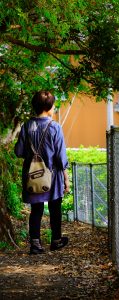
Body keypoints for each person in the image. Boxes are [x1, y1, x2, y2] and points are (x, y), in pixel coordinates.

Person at [15, 91, 70, 254]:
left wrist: (33, 156)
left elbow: (18, 151)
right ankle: (56, 241)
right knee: (55, 209)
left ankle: (35, 244)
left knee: (36, 210)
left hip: (33, 175)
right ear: (49, 108)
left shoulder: (27, 126)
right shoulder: (54, 127)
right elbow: (61, 157)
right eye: (53, 105)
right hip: (53, 176)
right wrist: (66, 179)